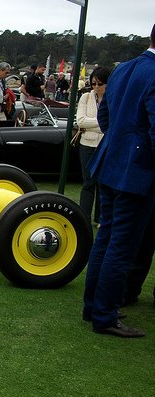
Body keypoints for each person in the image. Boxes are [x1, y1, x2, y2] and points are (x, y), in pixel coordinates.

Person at [82, 25, 155, 338]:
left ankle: (94, 307)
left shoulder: (122, 69)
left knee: (107, 237)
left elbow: (105, 117)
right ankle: (105, 314)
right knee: (121, 245)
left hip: (111, 161)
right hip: (135, 170)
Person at [75, 66, 111, 226]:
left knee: (103, 183)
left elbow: (113, 123)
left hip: (105, 145)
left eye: (100, 84)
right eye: (94, 84)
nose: (96, 87)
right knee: (88, 182)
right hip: (86, 144)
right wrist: (102, 123)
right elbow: (80, 121)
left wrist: (92, 124)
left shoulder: (113, 98)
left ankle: (100, 219)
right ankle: (84, 217)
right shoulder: (86, 98)